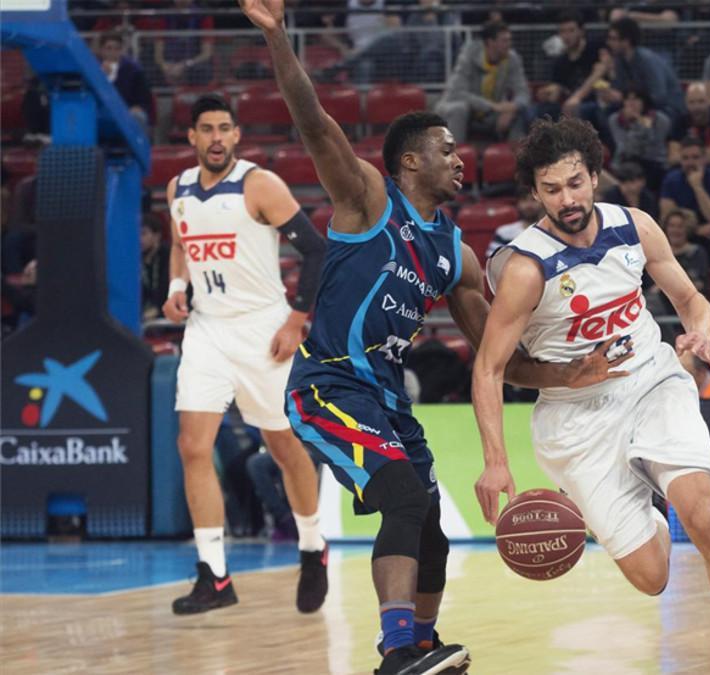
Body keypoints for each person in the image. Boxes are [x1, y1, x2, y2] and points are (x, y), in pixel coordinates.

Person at [241, 3, 623, 672]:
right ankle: (394, 652)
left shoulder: (456, 253)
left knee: (432, 533)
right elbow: (312, 121)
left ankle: (420, 643)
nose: (460, 160)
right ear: (410, 158)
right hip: (327, 383)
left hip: (387, 398)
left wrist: (570, 374)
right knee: (402, 495)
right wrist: (277, 37)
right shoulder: (367, 199)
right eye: (447, 150)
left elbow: (498, 358)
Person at [472, 116, 710, 675]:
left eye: (575, 183)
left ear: (595, 177)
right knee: (652, 579)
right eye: (551, 189)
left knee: (701, 512)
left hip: (653, 382)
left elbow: (692, 299)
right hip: (576, 421)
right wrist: (497, 461)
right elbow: (491, 368)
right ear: (535, 193)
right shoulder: (526, 269)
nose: (566, 198)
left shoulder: (637, 227)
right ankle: (650, 506)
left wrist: (700, 331)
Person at [161, 93, 329, 617]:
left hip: (263, 328)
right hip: (207, 330)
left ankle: (311, 546)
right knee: (193, 447)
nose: (215, 138)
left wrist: (297, 319)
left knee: (283, 448)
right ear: (191, 137)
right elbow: (180, 245)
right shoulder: (178, 189)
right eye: (206, 129)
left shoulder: (260, 185)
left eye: (224, 129)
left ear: (237, 135)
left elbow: (317, 250)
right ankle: (214, 574)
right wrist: (175, 285)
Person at [434, 19, 530, 143]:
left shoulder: (512, 59)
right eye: (505, 40)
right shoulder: (468, 55)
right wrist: (493, 106)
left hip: (489, 114)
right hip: (457, 107)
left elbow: (523, 92)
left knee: (518, 114)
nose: (509, 44)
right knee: (460, 109)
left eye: (509, 40)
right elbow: (457, 92)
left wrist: (513, 107)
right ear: (491, 42)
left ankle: (516, 159)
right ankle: (454, 158)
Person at [659, 137, 710, 245]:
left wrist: (697, 187)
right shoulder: (671, 180)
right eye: (685, 158)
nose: (690, 162)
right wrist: (696, 230)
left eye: (695, 157)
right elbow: (667, 216)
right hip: (683, 230)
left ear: (704, 159)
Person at [607, 87, 671, 190]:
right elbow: (624, 147)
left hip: (653, 162)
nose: (631, 103)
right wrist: (636, 124)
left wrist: (640, 123)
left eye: (636, 99)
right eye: (627, 99)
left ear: (644, 101)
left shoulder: (660, 119)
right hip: (625, 160)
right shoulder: (615, 120)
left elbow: (653, 146)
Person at [96, 31, 154, 130]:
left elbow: (144, 99)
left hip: (128, 110)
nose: (113, 53)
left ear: (122, 50)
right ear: (102, 50)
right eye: (109, 48)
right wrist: (100, 76)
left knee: (138, 117)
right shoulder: (93, 69)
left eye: (117, 48)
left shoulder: (134, 69)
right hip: (101, 111)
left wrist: (136, 108)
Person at [667, 83, 710, 168]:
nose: (696, 107)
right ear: (686, 104)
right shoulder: (679, 121)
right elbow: (673, 158)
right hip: (685, 169)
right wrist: (703, 155)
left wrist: (685, 156)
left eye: (701, 101)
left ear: (709, 101)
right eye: (692, 102)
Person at [486, 191, 543, 257]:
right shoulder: (504, 232)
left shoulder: (550, 231)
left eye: (533, 200)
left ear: (542, 203)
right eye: (524, 200)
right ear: (518, 203)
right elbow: (493, 259)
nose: (529, 205)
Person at [141, 216, 170, 320]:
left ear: (157, 236)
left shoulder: (169, 257)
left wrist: (158, 311)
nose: (139, 239)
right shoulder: (134, 259)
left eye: (143, 233)